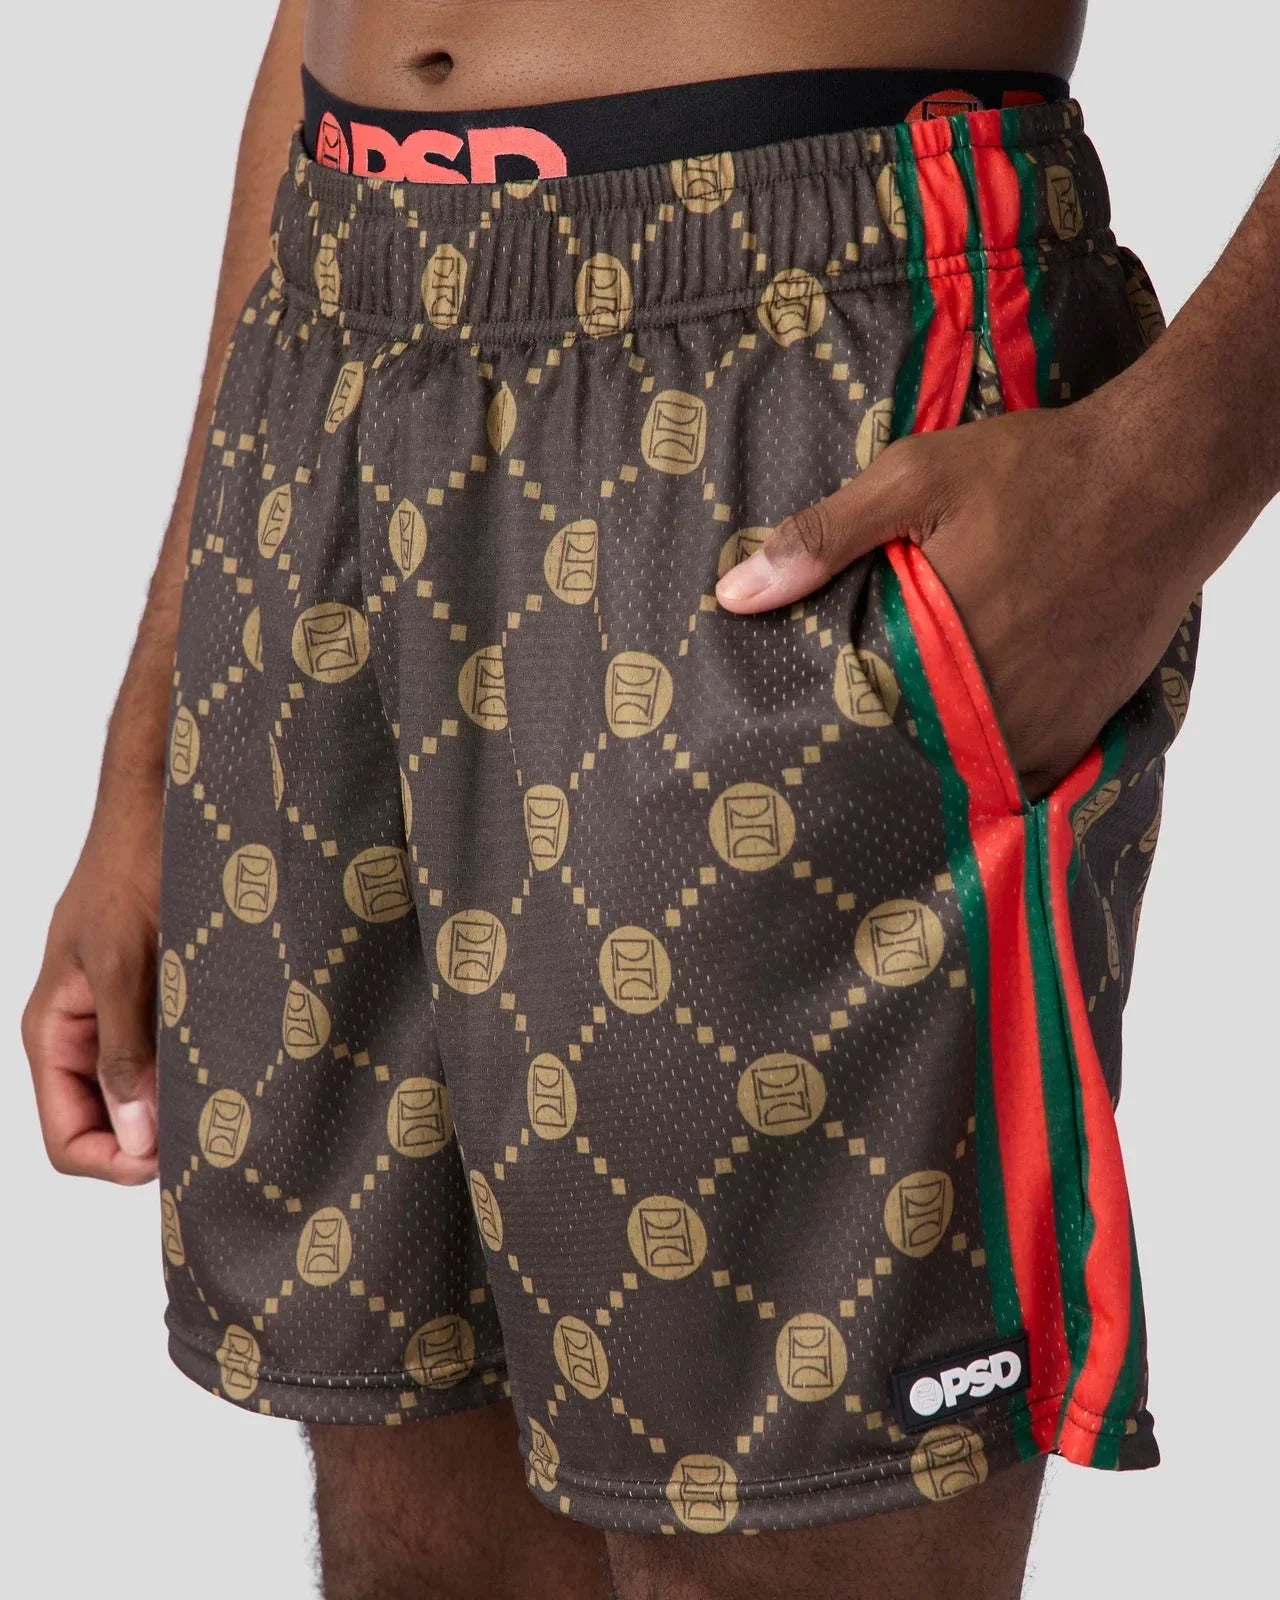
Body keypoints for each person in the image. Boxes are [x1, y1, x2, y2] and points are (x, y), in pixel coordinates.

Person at [20, 2, 1278, 1596]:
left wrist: (1164, 472)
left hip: (793, 357)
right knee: (414, 1518)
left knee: (778, 1540)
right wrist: (147, 757)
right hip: (335, 349)